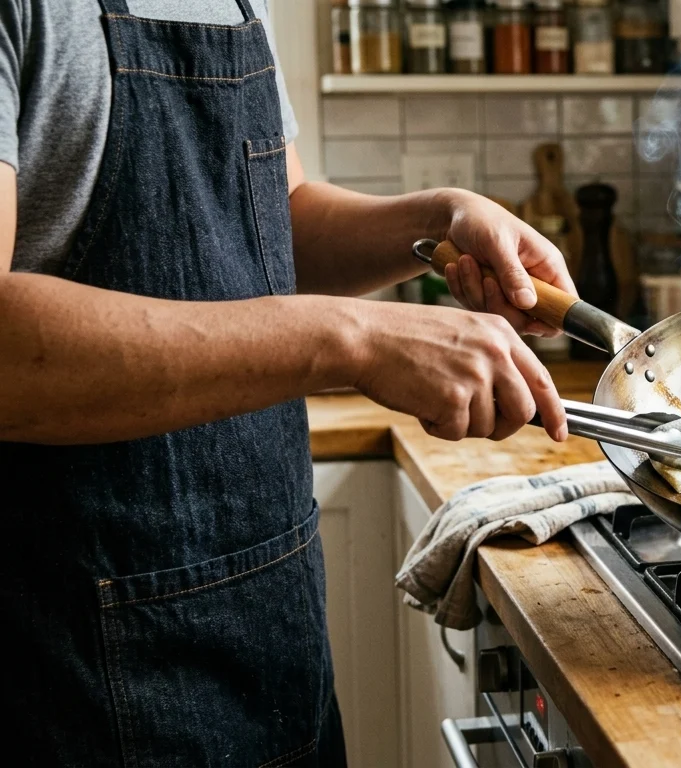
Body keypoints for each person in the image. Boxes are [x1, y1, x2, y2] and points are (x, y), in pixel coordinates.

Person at [0, 1, 573, 764]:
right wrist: (353, 338)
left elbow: (277, 219)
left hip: (272, 629)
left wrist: (443, 217)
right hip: (77, 661)